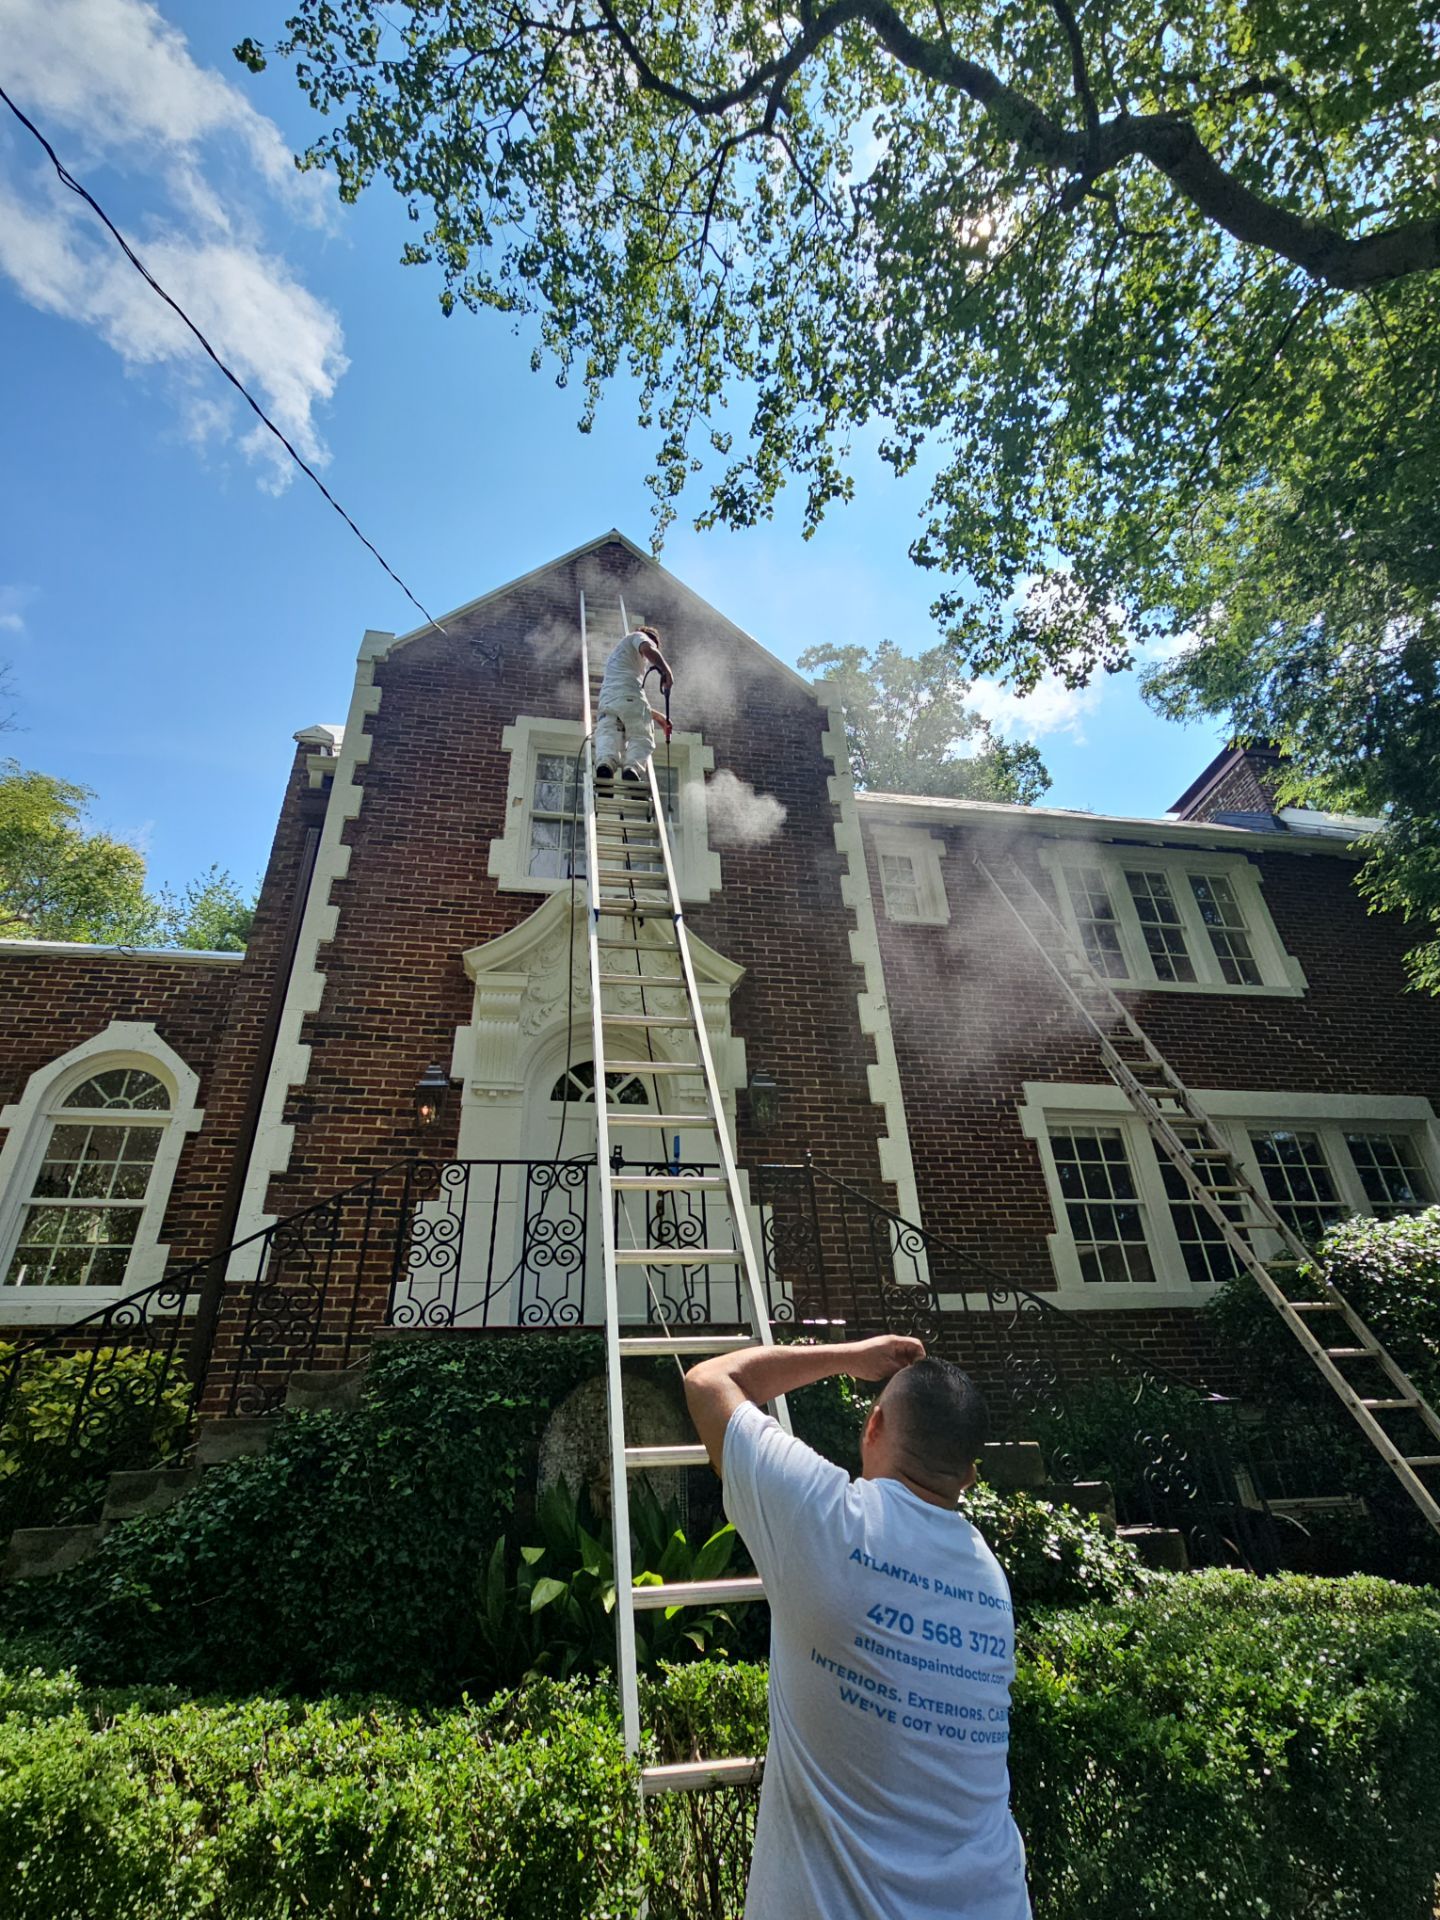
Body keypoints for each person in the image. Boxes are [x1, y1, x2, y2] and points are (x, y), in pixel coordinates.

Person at [683, 1334, 1031, 1920]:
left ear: (873, 1428)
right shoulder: (988, 1581)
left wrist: (849, 1357)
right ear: (968, 1476)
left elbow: (709, 1381)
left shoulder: (827, 1521)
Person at [594, 623, 673, 782]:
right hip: (629, 697)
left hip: (608, 702)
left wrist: (657, 717)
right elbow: (648, 649)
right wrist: (666, 671)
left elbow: (626, 702)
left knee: (609, 734)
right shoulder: (638, 637)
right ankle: (632, 768)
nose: (646, 660)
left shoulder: (617, 657)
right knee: (641, 735)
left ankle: (605, 764)